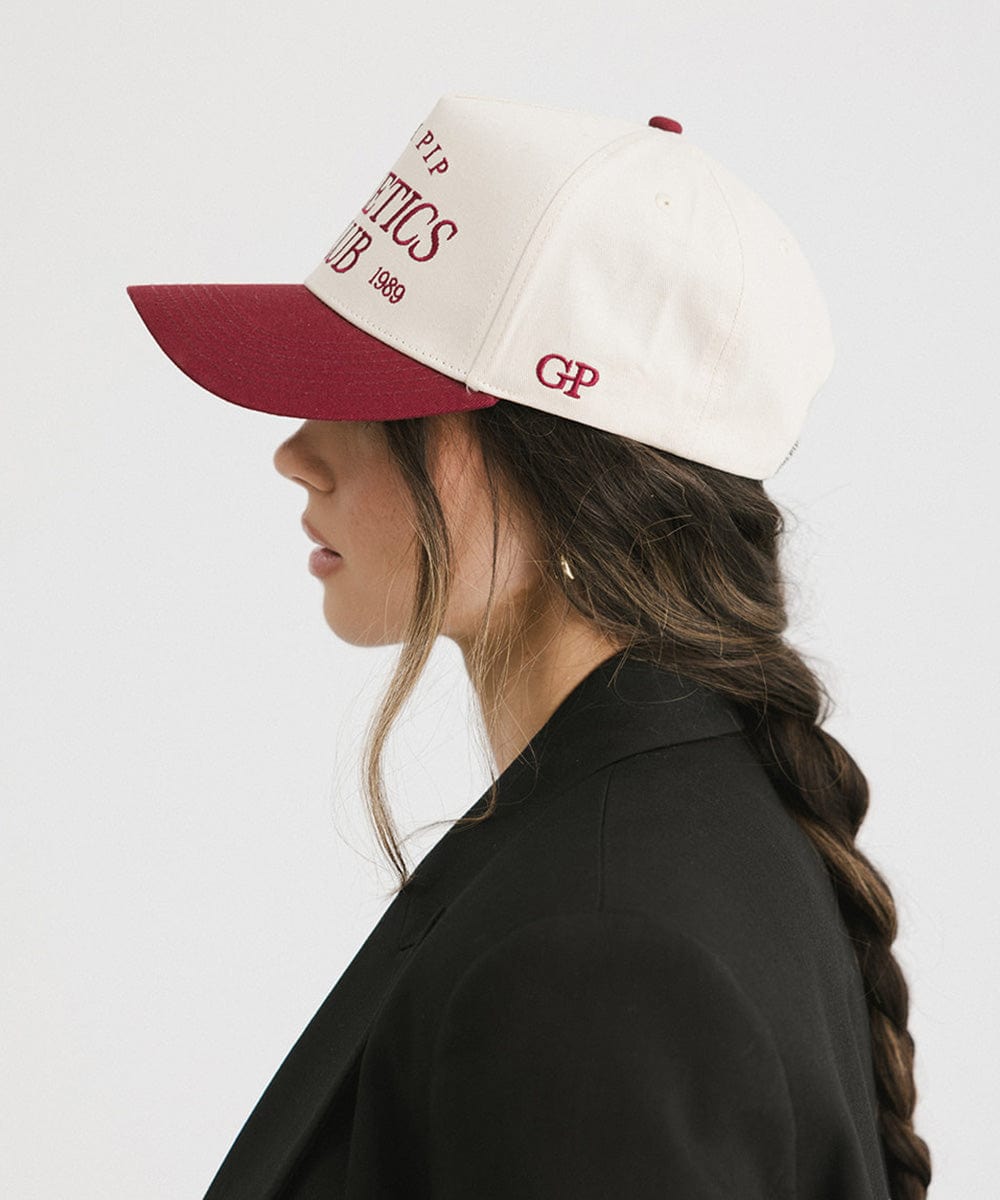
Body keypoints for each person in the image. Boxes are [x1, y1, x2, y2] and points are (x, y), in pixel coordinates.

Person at [126, 93, 932, 1199]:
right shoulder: (676, 825)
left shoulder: (596, 957)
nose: (298, 454)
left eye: (369, 396)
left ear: (560, 465)